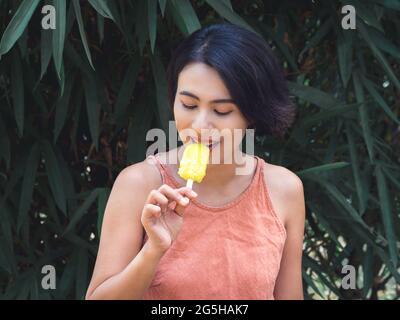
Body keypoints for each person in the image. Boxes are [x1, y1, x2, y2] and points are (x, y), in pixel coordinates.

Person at [85, 23, 305, 300]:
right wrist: (153, 251)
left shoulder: (285, 190)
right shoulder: (140, 185)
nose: (200, 125)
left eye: (222, 110)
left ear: (252, 112)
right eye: (189, 105)